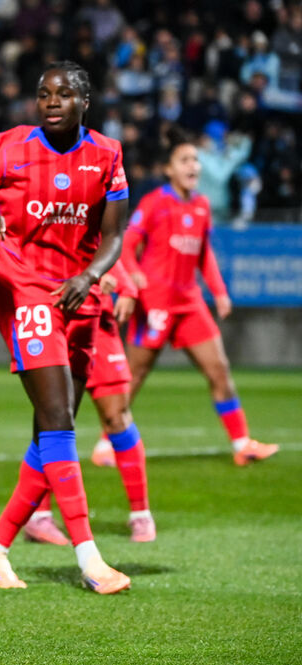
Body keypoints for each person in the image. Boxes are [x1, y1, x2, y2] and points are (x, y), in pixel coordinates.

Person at [0, 61, 131, 594]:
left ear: (84, 101)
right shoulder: (9, 147)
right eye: (44, 93)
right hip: (26, 291)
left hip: (80, 296)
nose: (51, 101)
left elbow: (115, 234)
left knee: (50, 432)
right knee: (59, 416)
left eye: (63, 94)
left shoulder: (107, 155)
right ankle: (90, 559)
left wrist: (91, 276)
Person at [122, 132, 278, 467]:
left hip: (190, 302)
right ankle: (110, 441)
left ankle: (242, 444)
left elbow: (204, 254)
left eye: (195, 159)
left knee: (219, 370)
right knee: (135, 374)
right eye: (185, 160)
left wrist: (219, 292)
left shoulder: (202, 205)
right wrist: (133, 276)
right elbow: (125, 246)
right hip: (155, 302)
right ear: (168, 169)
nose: (194, 165)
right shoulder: (154, 203)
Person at [23, 259, 156, 545]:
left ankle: (140, 514)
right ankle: (38, 517)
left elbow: (104, 239)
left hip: (98, 319)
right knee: (52, 419)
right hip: (52, 313)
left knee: (117, 415)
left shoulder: (93, 213)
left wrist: (126, 286)